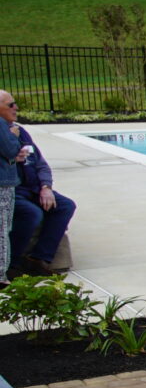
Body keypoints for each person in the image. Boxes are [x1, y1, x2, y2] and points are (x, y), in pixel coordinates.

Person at [4, 93, 77, 279]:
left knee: (65, 205)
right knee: (31, 214)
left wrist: (46, 187)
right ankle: (12, 263)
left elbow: (40, 163)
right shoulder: (6, 134)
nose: (16, 108)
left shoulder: (21, 132)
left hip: (34, 187)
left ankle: (39, 259)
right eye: (11, 105)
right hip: (11, 189)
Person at [0, 90, 19, 281]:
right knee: (2, 230)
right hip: (2, 185)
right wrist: (12, 135)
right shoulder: (1, 126)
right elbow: (10, 150)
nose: (15, 108)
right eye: (10, 104)